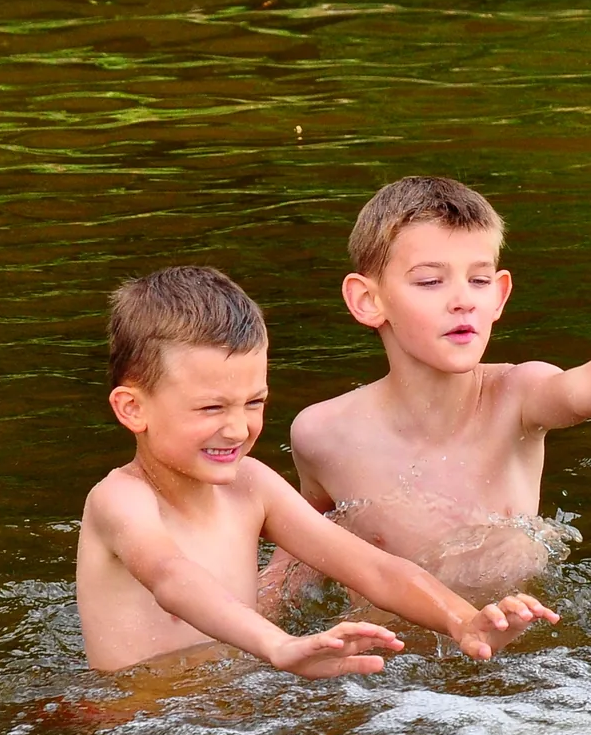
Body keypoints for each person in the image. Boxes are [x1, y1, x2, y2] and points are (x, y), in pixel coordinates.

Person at [74, 265, 556, 675]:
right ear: (133, 408)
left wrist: (462, 620)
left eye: (254, 402)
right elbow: (172, 578)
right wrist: (276, 646)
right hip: (132, 716)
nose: (238, 428)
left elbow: (372, 568)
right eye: (209, 408)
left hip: (233, 709)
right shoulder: (120, 500)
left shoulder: (252, 487)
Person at [279, 176, 591, 594]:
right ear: (368, 300)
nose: (462, 301)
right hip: (386, 665)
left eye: (478, 280)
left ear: (498, 295)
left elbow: (586, 382)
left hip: (516, 655)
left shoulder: (517, 397)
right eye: (431, 281)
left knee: (514, 548)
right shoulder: (323, 434)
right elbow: (298, 552)